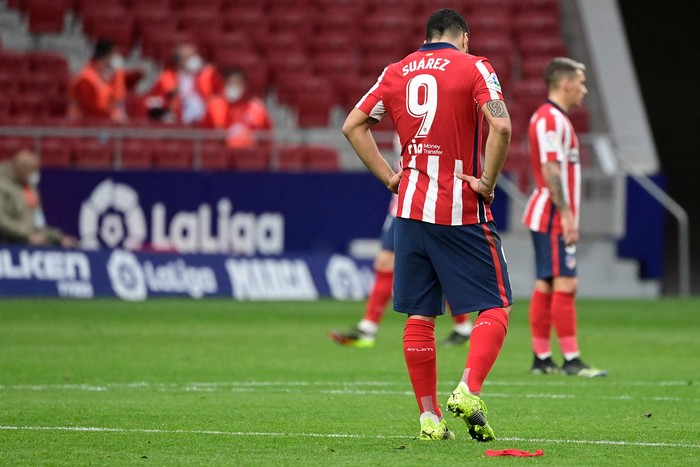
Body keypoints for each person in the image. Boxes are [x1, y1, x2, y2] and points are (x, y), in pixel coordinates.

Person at [342, 9, 512, 442]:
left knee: (420, 315)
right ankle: (469, 390)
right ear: (464, 38)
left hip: (409, 210)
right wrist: (487, 184)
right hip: (460, 207)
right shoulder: (475, 66)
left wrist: (388, 176)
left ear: (427, 37)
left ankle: (429, 419)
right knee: (496, 303)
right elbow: (502, 125)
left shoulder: (396, 71)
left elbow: (353, 125)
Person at [522, 57, 607, 378]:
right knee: (566, 283)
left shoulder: (554, 119)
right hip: (552, 214)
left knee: (546, 284)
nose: (584, 90)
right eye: (581, 83)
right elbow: (551, 169)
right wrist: (568, 216)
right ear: (566, 83)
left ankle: (542, 359)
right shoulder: (549, 120)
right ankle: (571, 359)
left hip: (549, 213)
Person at [328, 194, 473, 348]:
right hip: (403, 207)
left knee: (435, 268)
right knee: (389, 263)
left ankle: (464, 327)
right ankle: (367, 328)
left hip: (422, 206)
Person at [0, 149, 80, 248]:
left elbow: (38, 224)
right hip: (8, 244)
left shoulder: (31, 190)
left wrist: (58, 238)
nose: (35, 175)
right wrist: (27, 236)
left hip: (30, 243)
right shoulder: (2, 186)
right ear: (20, 168)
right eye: (32, 171)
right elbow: (2, 221)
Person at [144, 41, 223, 125]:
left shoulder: (209, 74)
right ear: (179, 61)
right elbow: (153, 101)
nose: (195, 59)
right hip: (180, 120)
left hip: (207, 120)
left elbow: (221, 96)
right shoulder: (167, 77)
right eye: (189, 57)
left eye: (195, 55)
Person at [200, 68, 274, 148]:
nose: (234, 86)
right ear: (224, 84)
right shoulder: (214, 106)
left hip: (249, 155)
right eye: (231, 83)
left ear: (244, 86)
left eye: (237, 83)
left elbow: (267, 138)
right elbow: (204, 135)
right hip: (222, 153)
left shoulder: (257, 108)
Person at [68, 39, 128, 124]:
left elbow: (116, 98)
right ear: (107, 56)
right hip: (82, 128)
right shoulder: (85, 79)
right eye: (114, 55)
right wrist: (114, 116)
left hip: (99, 126)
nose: (118, 58)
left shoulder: (103, 77)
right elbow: (91, 110)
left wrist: (119, 74)